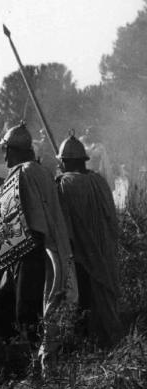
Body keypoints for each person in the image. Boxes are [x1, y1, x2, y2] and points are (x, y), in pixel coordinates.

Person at [0, 123, 77, 372]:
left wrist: (27, 259)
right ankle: (20, 361)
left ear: (14, 150)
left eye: (6, 150)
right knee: (2, 311)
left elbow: (34, 220)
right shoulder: (36, 170)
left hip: (33, 252)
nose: (4, 156)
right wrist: (5, 191)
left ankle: (36, 368)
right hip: (27, 253)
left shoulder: (24, 173)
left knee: (26, 314)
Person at [56, 133, 123, 347]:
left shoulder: (64, 185)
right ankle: (109, 340)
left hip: (82, 254)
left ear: (64, 162)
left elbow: (63, 226)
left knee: (84, 300)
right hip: (105, 251)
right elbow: (112, 219)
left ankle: (90, 345)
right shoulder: (99, 181)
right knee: (104, 297)